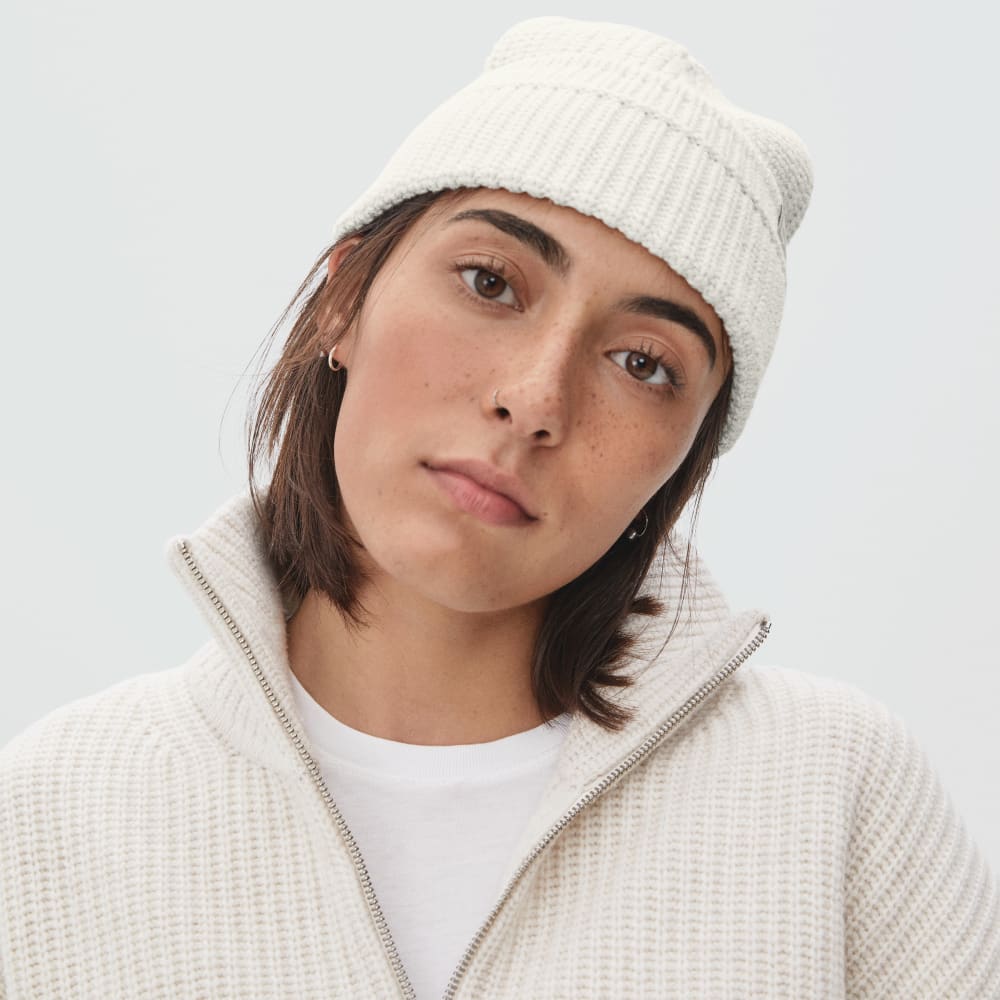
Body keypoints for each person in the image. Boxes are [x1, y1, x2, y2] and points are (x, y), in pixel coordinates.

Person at [1, 15, 997, 999]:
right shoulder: (54, 813)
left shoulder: (833, 794)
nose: (535, 399)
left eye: (643, 363)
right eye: (490, 282)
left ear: (684, 463)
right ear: (343, 302)